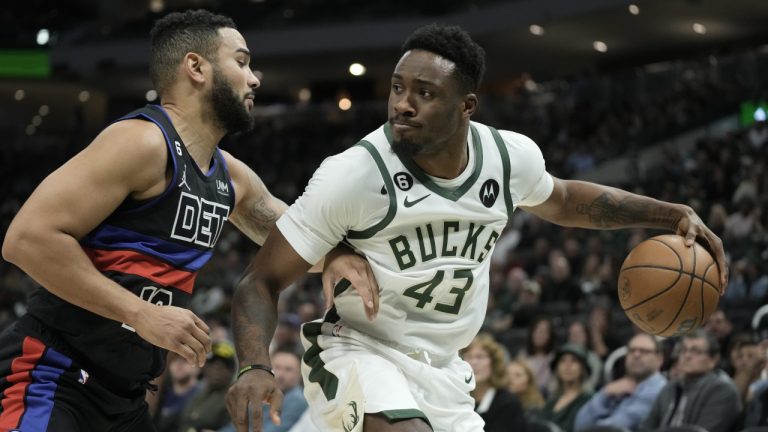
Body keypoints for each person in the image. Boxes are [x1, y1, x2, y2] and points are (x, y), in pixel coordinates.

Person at [225, 23, 728, 432]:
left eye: (425, 93)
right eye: (398, 88)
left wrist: (668, 213)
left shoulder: (508, 158)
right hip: (357, 349)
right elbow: (259, 281)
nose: (403, 104)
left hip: (445, 367)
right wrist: (254, 365)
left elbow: (566, 200)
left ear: (466, 106)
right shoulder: (353, 174)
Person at [0, 9, 370, 431]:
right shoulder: (142, 142)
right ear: (196, 67)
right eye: (242, 62)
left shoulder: (232, 177)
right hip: (52, 374)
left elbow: (300, 239)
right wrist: (140, 313)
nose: (255, 79)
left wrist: (339, 256)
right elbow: (26, 240)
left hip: (124, 396)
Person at [641, 329, 741, 432]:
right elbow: (646, 428)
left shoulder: (722, 391)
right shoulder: (669, 388)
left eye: (695, 351)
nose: (687, 356)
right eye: (683, 350)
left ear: (713, 360)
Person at [573, 333, 667, 431]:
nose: (636, 355)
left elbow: (616, 427)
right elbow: (580, 423)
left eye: (644, 351)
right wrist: (605, 393)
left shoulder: (659, 389)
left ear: (659, 359)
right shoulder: (619, 387)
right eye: (631, 350)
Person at [461, 333, 527, 432]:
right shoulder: (457, 398)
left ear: (494, 363)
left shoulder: (508, 404)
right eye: (469, 357)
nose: (474, 362)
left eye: (480, 357)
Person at [178, 341, 237, 432]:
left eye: (223, 365)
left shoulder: (234, 398)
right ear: (204, 368)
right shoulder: (196, 392)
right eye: (212, 363)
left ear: (232, 370)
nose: (216, 369)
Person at [536, 344, 593, 432]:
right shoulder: (550, 402)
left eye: (574, 361)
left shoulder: (589, 400)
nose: (567, 365)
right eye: (562, 361)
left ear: (582, 369)